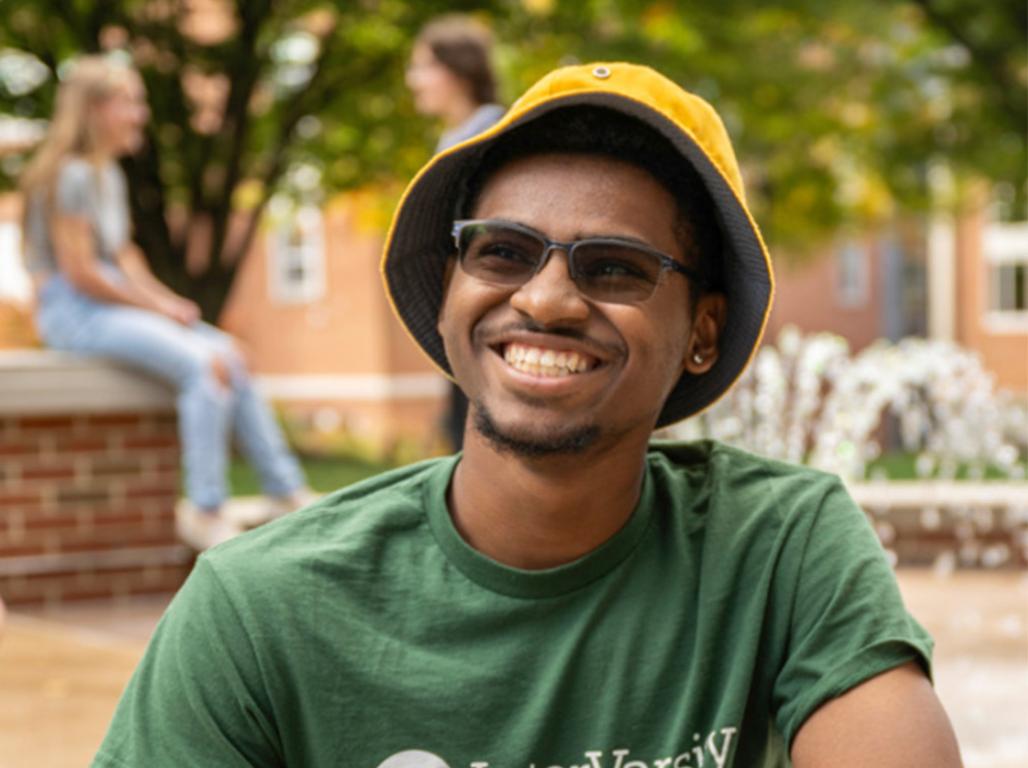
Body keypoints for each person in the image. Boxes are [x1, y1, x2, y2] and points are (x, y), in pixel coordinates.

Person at [93, 63, 962, 766]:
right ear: (449, 293)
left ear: (703, 332)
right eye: (503, 252)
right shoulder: (258, 608)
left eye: (615, 267)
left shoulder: (783, 548)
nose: (545, 300)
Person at [21, 56, 309, 550]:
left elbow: (125, 257)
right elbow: (82, 272)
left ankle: (284, 490)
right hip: (72, 311)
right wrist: (154, 310)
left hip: (109, 302)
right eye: (129, 102)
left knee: (235, 355)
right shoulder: (69, 176)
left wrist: (170, 302)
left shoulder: (107, 175)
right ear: (94, 109)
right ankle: (205, 508)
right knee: (205, 364)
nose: (140, 114)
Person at [406, 14, 505, 451]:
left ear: (458, 70)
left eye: (423, 66)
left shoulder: (490, 131)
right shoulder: (452, 137)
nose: (413, 81)